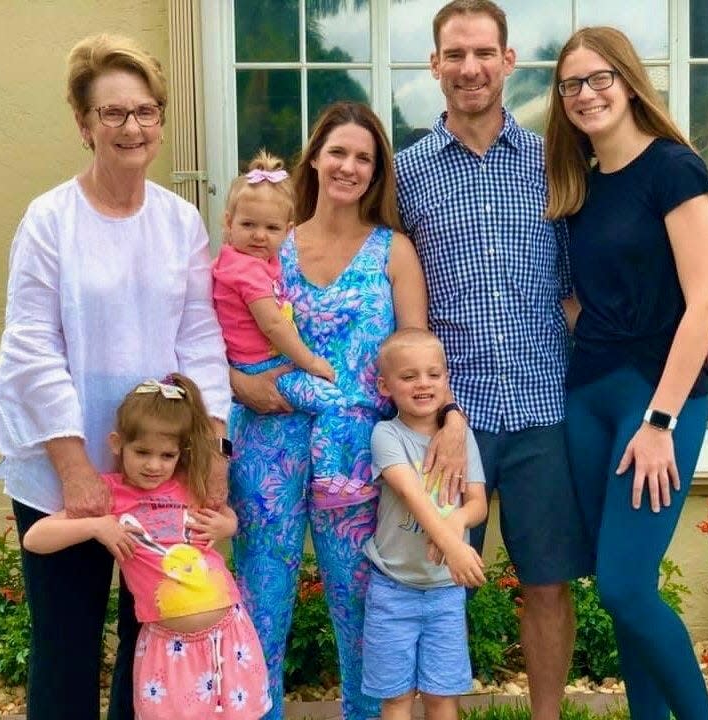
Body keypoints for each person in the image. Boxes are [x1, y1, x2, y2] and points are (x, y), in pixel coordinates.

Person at [0, 34, 231, 720]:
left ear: (160, 121)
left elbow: (198, 337)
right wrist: (74, 466)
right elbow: (31, 347)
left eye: (146, 111)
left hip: (158, 474)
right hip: (64, 479)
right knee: (64, 643)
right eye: (114, 113)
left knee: (152, 639)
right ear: (84, 124)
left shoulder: (179, 221)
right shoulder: (50, 221)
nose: (133, 127)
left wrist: (209, 449)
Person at [394, 2, 593, 719]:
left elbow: (581, 284)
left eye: (483, 53)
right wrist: (440, 411)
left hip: (545, 411)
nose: (470, 67)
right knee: (432, 583)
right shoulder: (405, 173)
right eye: (455, 54)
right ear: (435, 64)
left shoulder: (554, 160)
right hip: (450, 423)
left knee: (547, 583)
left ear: (508, 61)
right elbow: (395, 304)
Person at [227, 101, 430, 720]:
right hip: (267, 443)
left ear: (376, 172)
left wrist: (432, 436)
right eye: (337, 151)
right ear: (314, 157)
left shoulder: (392, 251)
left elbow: (416, 353)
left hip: (359, 456)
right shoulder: (268, 240)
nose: (348, 166)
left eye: (363, 157)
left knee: (361, 602)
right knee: (262, 597)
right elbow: (218, 329)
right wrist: (238, 382)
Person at [544, 26, 708, 719]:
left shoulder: (674, 170)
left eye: (598, 78)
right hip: (587, 397)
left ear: (627, 79)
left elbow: (706, 300)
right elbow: (582, 297)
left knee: (624, 586)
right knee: (620, 585)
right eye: (571, 85)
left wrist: (659, 421)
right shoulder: (584, 185)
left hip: (656, 403)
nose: (585, 94)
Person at [22, 375, 270, 720]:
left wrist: (226, 525)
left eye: (166, 455)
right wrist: (96, 526)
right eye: (142, 452)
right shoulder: (110, 494)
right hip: (168, 648)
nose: (154, 465)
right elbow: (35, 538)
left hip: (229, 635)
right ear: (116, 444)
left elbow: (226, 517)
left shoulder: (188, 484)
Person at [213, 150, 371, 507]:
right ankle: (328, 477)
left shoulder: (240, 263)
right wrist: (310, 362)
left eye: (270, 228)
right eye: (248, 225)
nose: (258, 236)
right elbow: (273, 325)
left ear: (287, 231)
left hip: (254, 366)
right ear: (228, 222)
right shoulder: (247, 270)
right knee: (333, 401)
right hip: (264, 369)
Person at [362, 328, 488, 720]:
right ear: (385, 386)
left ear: (446, 380)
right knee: (397, 697)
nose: (423, 384)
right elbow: (414, 498)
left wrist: (455, 524)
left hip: (444, 593)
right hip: (393, 589)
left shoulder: (461, 438)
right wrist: (452, 545)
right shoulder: (386, 435)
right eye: (409, 376)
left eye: (434, 374)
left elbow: (478, 504)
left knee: (442, 697)